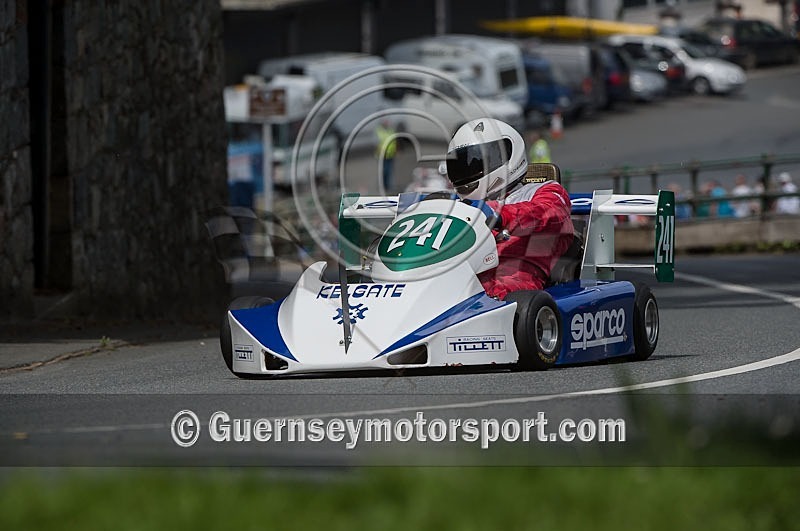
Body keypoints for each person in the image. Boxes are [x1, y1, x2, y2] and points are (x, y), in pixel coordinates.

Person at [445, 118, 574, 300]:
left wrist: (497, 213)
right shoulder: (461, 204)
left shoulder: (545, 192)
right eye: (462, 166)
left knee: (486, 294)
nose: (468, 170)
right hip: (462, 275)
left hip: (513, 279)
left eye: (475, 163)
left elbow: (549, 212)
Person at [375, 120, 397, 192]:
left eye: (387, 121)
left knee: (389, 171)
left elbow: (394, 141)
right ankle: (383, 186)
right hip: (382, 155)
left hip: (390, 155)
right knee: (384, 171)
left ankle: (388, 187)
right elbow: (375, 143)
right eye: (385, 121)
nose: (387, 122)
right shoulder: (378, 131)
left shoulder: (391, 130)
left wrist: (395, 150)